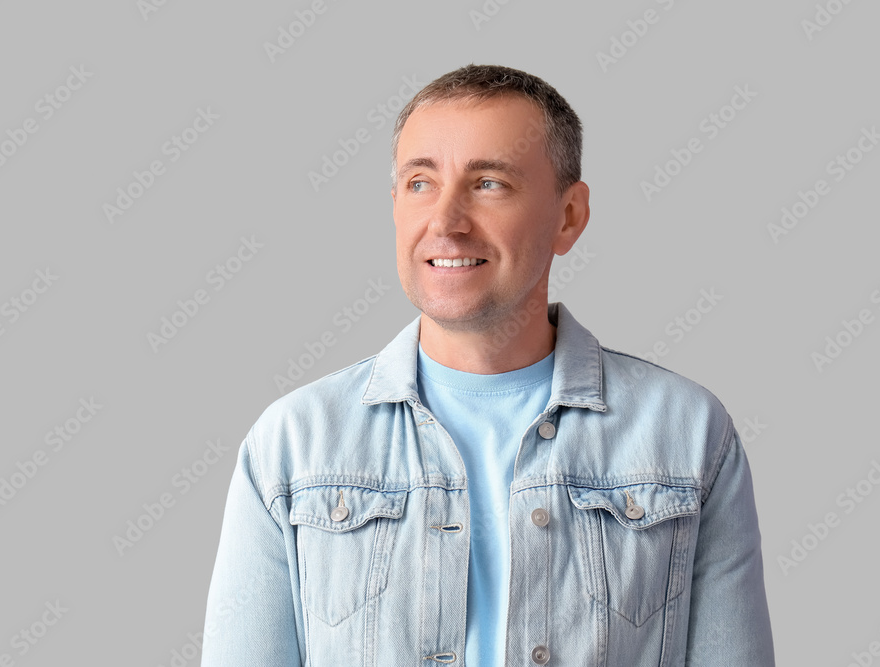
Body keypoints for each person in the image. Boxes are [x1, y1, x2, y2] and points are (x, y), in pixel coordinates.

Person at [200, 64, 775, 666]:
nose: (445, 222)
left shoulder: (686, 434)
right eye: (420, 182)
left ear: (569, 216)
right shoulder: (294, 445)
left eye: (489, 183)